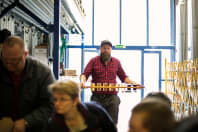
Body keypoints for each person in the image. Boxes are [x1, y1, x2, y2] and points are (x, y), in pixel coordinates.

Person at [80, 40, 143, 124]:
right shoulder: (93, 61)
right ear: (100, 49)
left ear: (111, 49)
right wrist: (82, 82)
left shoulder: (116, 62)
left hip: (112, 98)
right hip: (97, 97)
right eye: (104, 48)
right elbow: (84, 74)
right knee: (95, 123)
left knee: (112, 123)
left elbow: (123, 77)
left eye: (108, 48)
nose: (106, 50)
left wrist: (134, 83)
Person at [0, 36, 55, 132]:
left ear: (25, 54)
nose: (9, 66)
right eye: (6, 61)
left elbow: (50, 105)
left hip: (34, 128)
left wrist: (27, 121)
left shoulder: (43, 73)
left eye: (14, 61)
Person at [45, 80, 117, 132]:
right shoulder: (53, 125)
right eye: (55, 99)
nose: (57, 103)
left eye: (63, 99)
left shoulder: (96, 111)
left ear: (75, 100)